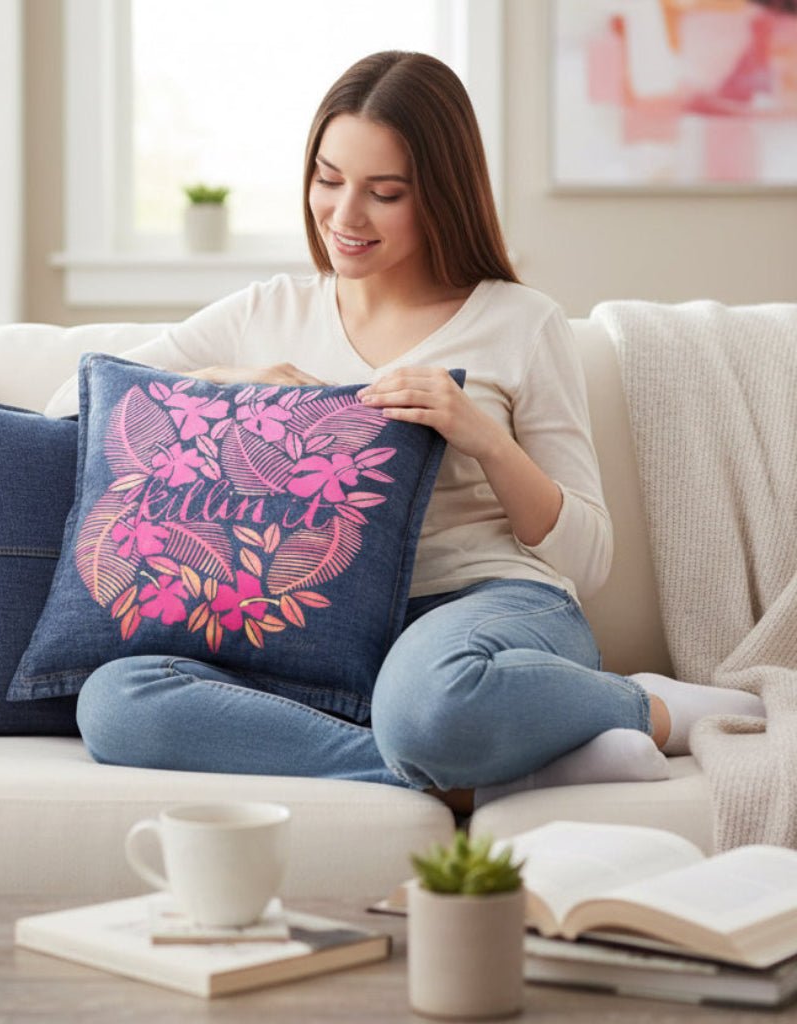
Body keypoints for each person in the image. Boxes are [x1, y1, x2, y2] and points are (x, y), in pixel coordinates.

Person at [76, 51, 764, 811]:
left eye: (385, 193)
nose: (344, 217)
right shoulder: (266, 313)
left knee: (429, 702)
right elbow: (72, 403)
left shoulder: (520, 322)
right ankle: (485, 771)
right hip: (317, 626)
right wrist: (239, 389)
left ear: (440, 192)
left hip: (488, 609)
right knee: (116, 698)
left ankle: (643, 707)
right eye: (328, 179)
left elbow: (589, 559)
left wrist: (483, 439)